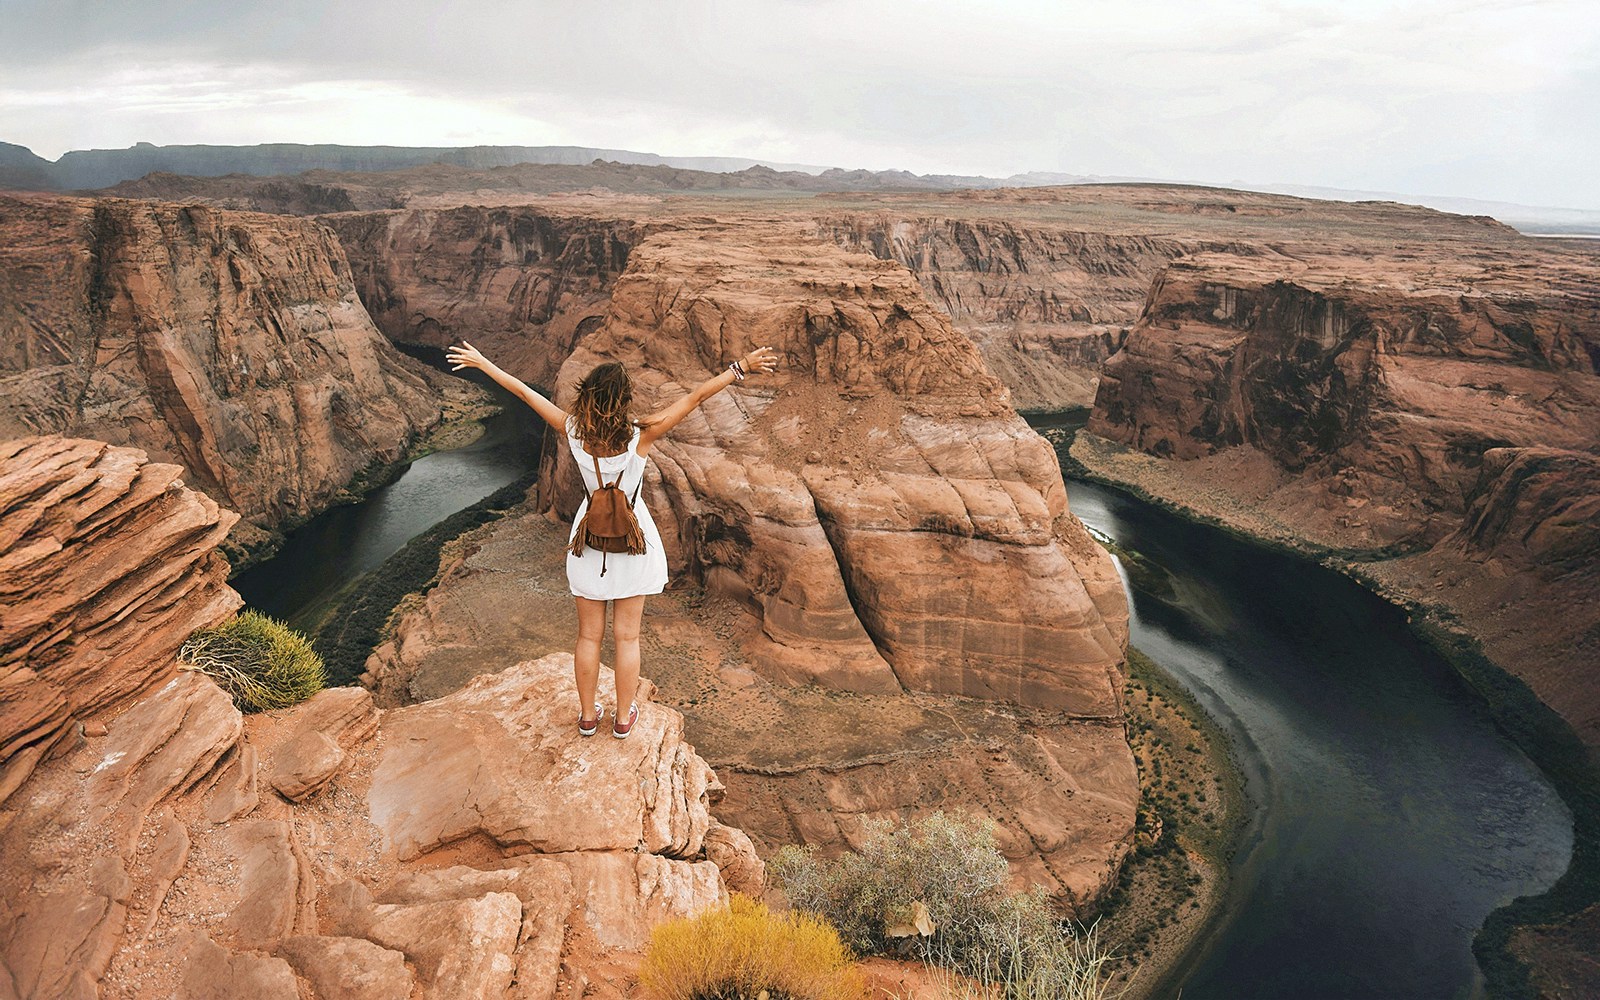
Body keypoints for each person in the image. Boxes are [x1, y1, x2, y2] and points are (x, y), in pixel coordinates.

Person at [444, 340, 779, 738]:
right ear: (623, 400)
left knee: (588, 635)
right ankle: (622, 720)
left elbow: (521, 391)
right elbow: (696, 397)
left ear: (587, 397)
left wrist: (483, 362)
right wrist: (740, 366)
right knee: (627, 637)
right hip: (634, 547)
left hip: (588, 546)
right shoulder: (643, 434)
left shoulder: (573, 431)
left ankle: (587, 717)